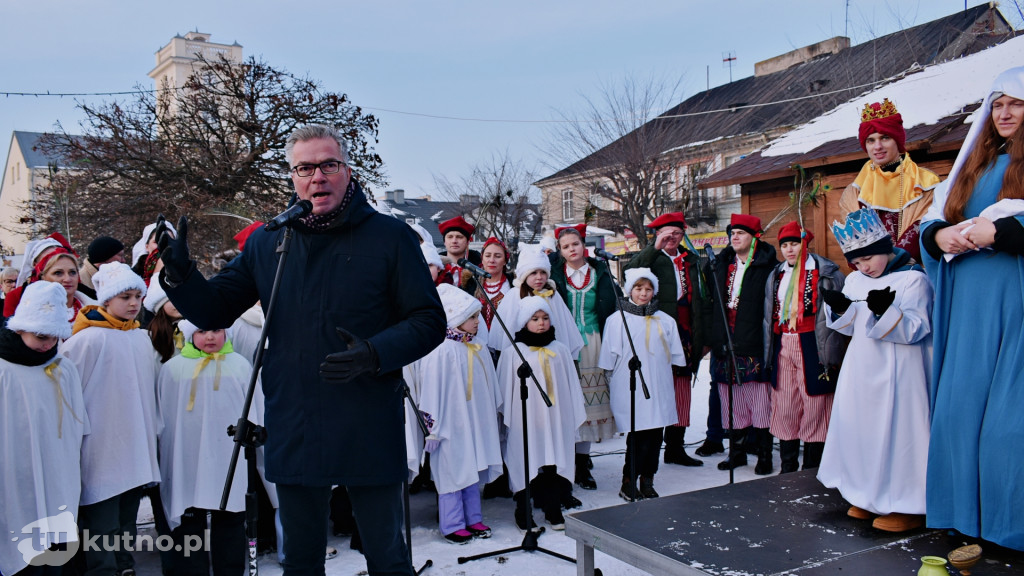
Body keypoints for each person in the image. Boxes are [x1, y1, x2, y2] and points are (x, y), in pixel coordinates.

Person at [157, 123, 445, 576]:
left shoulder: (390, 237)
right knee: (301, 560)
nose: (318, 177)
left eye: (328, 165)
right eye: (305, 168)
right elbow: (214, 310)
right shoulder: (270, 240)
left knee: (386, 556)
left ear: (347, 170)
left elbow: (429, 321)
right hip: (296, 415)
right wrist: (181, 275)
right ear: (292, 177)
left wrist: (373, 352)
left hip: (366, 411)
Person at [920, 66, 1024, 551]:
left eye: (1016, 104)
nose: (1004, 113)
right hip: (967, 304)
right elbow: (936, 220)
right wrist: (939, 235)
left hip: (1015, 302)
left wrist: (1002, 233)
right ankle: (963, 513)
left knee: (1009, 420)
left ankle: (1010, 522)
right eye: (997, 104)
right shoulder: (974, 166)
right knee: (960, 407)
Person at [818, 207, 932, 533]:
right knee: (863, 432)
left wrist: (887, 311)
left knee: (898, 435)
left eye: (867, 258)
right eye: (855, 261)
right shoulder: (855, 279)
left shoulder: (914, 279)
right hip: (863, 369)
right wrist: (839, 309)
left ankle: (906, 504)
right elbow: (853, 325)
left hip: (900, 371)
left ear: (884, 248)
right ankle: (866, 495)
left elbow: (917, 329)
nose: (861, 267)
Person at [61, 262, 160, 576]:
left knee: (127, 514)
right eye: (124, 296)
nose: (133, 303)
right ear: (105, 300)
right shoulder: (87, 340)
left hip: (133, 442)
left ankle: (124, 564)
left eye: (137, 296)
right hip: (101, 444)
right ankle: (102, 569)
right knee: (102, 517)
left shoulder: (141, 338)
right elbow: (68, 391)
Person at [0, 282, 87, 576]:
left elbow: (78, 426)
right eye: (40, 335)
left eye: (55, 336)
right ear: (20, 327)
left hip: (56, 471)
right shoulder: (4, 370)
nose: (48, 343)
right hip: (15, 472)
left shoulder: (63, 368)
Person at [157, 321, 248, 576]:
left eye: (216, 330)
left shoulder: (240, 366)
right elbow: (163, 417)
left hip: (227, 458)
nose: (210, 337)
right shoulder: (173, 370)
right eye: (201, 331)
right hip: (187, 459)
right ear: (189, 334)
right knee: (188, 521)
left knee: (230, 519)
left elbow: (253, 411)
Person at [417, 284, 503, 544]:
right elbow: (430, 388)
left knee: (472, 465)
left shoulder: (477, 348)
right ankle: (452, 522)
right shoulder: (440, 350)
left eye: (478, 316)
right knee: (453, 468)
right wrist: (431, 427)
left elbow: (490, 387)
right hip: (449, 423)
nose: (478, 322)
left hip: (474, 421)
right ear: (455, 317)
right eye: (472, 317)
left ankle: (473, 517)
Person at [625, 212, 710, 467]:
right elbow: (630, 272)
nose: (672, 238)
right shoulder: (651, 259)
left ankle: (675, 447)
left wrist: (703, 336)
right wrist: (654, 248)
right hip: (657, 331)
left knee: (682, 390)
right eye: (666, 234)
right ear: (657, 235)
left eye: (677, 233)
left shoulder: (692, 260)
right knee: (658, 384)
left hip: (686, 330)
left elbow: (703, 300)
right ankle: (650, 445)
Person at [762, 222, 846, 473]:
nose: (789, 250)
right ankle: (788, 467)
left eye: (794, 244)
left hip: (813, 341)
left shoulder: (827, 271)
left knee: (816, 402)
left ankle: (812, 467)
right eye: (784, 245)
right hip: (783, 340)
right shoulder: (776, 274)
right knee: (785, 401)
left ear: (804, 243)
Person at [497, 296, 586, 532]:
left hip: (555, 418)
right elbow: (505, 390)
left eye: (545, 318)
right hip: (525, 417)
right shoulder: (513, 352)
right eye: (535, 319)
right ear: (524, 322)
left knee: (553, 459)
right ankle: (523, 508)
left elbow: (570, 385)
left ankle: (552, 507)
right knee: (525, 459)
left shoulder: (561, 350)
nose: (541, 323)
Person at [600, 269, 686, 502]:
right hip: (631, 386)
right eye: (638, 289)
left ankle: (648, 478)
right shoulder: (617, 320)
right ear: (630, 290)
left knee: (656, 434)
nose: (644, 294)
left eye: (648, 289)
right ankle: (629, 480)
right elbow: (608, 357)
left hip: (658, 385)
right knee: (638, 435)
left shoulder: (665, 320)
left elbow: (676, 354)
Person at [705, 214, 778, 475]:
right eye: (732, 233)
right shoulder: (721, 264)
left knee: (759, 400)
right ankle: (736, 454)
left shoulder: (768, 266)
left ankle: (764, 454)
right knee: (729, 399)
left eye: (741, 233)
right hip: (725, 340)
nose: (734, 237)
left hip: (753, 341)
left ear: (755, 237)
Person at [549, 224, 618, 490]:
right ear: (560, 251)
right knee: (568, 404)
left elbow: (611, 306)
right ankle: (565, 461)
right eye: (565, 247)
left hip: (592, 343)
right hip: (564, 345)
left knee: (589, 407)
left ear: (583, 245)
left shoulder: (599, 272)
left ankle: (582, 463)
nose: (571, 249)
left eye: (575, 244)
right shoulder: (556, 275)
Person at [838, 98, 941, 263]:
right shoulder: (854, 192)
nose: (877, 146)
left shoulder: (926, 183)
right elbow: (853, 244)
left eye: (885, 138)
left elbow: (927, 230)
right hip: (871, 277)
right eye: (871, 140)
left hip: (915, 273)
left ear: (897, 140)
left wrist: (896, 262)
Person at [79, 236, 126, 300]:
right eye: (120, 255)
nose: (123, 260)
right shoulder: (79, 281)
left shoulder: (118, 276)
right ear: (105, 256)